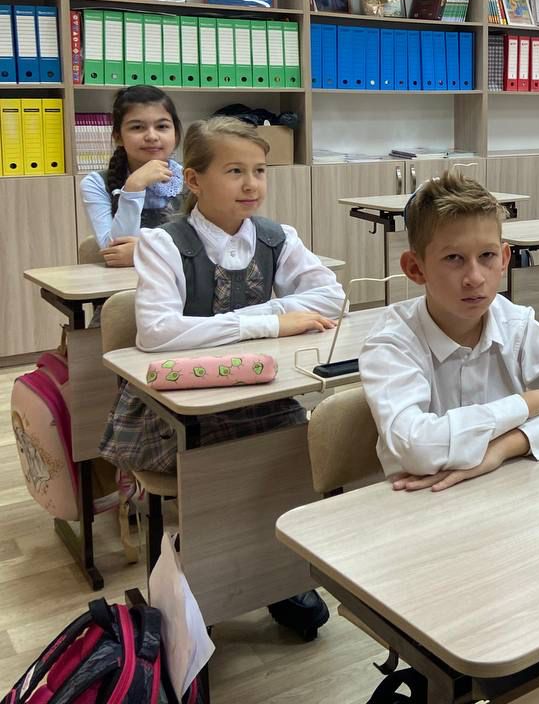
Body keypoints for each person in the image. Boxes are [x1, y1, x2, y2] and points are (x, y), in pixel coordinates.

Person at [98, 116, 345, 640]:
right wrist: (269, 322)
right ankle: (207, 582)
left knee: (292, 454)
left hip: (259, 395)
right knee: (225, 469)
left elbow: (331, 298)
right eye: (235, 171)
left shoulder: (278, 237)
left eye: (260, 170)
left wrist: (266, 312)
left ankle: (275, 573)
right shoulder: (163, 243)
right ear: (194, 179)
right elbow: (158, 334)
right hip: (175, 409)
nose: (251, 184)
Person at [360, 171, 539, 490]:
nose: (475, 278)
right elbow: (419, 449)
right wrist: (532, 401)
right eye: (453, 258)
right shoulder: (392, 342)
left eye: (487, 256)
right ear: (416, 269)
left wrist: (505, 447)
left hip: (506, 490)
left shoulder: (517, 325)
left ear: (504, 258)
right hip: (420, 501)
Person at [80, 85, 184, 267]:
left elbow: (208, 245)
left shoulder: (194, 178)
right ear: (118, 136)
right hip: (125, 281)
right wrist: (134, 187)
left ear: (175, 133)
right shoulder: (96, 183)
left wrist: (143, 251)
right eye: (137, 127)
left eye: (162, 126)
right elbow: (115, 252)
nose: (152, 136)